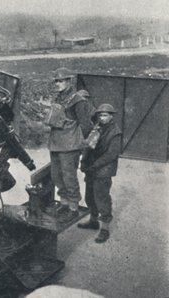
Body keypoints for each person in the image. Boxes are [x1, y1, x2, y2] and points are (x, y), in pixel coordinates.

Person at [46, 67, 93, 223]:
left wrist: (80, 145)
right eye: (56, 81)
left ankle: (73, 207)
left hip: (70, 146)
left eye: (60, 81)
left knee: (69, 176)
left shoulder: (78, 100)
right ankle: (64, 203)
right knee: (56, 175)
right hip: (55, 143)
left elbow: (86, 125)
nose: (57, 84)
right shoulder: (59, 98)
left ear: (68, 81)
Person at [78, 103, 122, 243]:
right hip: (91, 168)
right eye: (100, 115)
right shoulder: (97, 127)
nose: (102, 118)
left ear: (111, 116)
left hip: (103, 170)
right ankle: (93, 221)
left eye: (105, 115)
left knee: (102, 198)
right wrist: (84, 161)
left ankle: (105, 229)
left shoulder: (115, 132)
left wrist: (94, 166)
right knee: (89, 196)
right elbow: (88, 146)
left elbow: (111, 155)